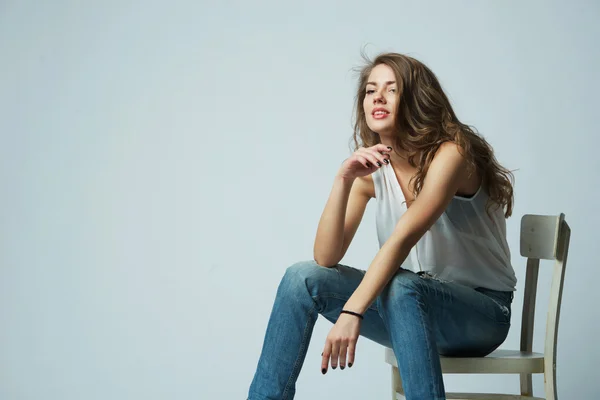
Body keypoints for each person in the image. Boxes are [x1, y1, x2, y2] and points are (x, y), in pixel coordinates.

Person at [246, 52, 517, 400]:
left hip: (482, 316)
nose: (378, 97)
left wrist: (352, 310)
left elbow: (404, 237)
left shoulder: (453, 154)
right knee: (301, 277)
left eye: (392, 89)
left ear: (416, 100)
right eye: (371, 90)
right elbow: (325, 257)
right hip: (407, 307)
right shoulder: (372, 171)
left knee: (402, 285)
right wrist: (343, 179)